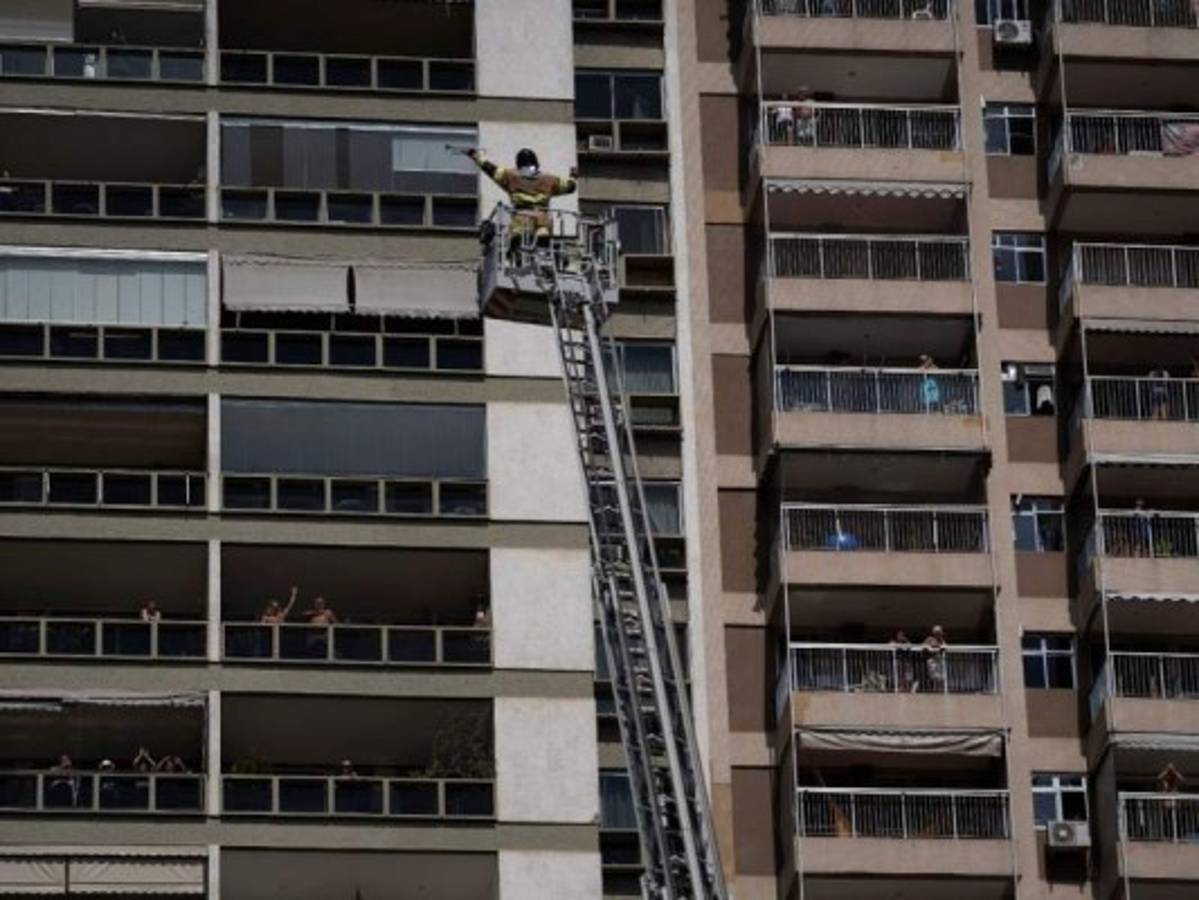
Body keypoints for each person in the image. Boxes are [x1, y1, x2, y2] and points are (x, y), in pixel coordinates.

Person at [466, 147, 578, 246]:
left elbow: (490, 169)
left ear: (519, 164)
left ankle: (517, 247)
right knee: (543, 237)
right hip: (542, 218)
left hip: (521, 218)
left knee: (517, 239)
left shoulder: (510, 176)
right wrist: (573, 176)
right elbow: (570, 187)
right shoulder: (549, 179)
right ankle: (542, 239)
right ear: (536, 163)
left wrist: (475, 156)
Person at [922, 626, 948, 692]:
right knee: (933, 676)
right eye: (938, 632)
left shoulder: (942, 640)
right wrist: (931, 649)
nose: (940, 634)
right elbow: (923, 647)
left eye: (940, 633)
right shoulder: (929, 639)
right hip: (932, 660)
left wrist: (941, 647)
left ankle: (940, 690)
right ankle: (933, 690)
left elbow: (945, 648)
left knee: (941, 677)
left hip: (940, 660)